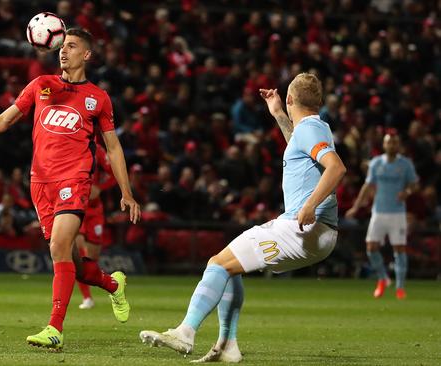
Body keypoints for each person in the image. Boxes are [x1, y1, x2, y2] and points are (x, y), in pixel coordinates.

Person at [0, 28, 141, 350]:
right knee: (71, 262)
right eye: (62, 46)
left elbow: (113, 148)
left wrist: (125, 192)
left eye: (72, 46)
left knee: (59, 248)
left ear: (86, 55)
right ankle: (112, 283)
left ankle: (54, 328)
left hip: (74, 179)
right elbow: (4, 121)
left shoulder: (97, 98)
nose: (64, 51)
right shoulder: (41, 86)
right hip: (39, 183)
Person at [139, 73, 346, 363]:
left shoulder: (309, 130)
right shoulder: (314, 127)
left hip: (304, 226)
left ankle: (185, 332)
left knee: (216, 264)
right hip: (319, 233)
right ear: (319, 102)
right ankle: (227, 345)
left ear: (290, 99)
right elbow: (298, 143)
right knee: (229, 266)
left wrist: (310, 205)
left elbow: (336, 168)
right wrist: (277, 114)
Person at [346, 132, 418, 299]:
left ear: (398, 145)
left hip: (397, 213)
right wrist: (356, 207)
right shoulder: (376, 163)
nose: (392, 145)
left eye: (394, 143)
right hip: (378, 211)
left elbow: (414, 184)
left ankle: (400, 287)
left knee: (399, 249)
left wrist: (407, 192)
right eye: (389, 143)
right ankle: (383, 278)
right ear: (384, 145)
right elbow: (367, 186)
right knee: (371, 248)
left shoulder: (405, 164)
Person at [76, 143, 118, 310]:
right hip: (75, 205)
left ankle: (111, 284)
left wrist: (100, 187)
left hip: (94, 209)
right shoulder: (70, 143)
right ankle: (87, 298)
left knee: (91, 258)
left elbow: (114, 173)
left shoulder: (97, 149)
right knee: (76, 253)